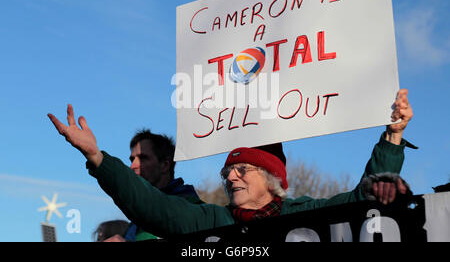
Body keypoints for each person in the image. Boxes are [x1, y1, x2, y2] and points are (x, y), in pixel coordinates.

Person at [48, 89, 415, 238]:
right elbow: (151, 207)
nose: (231, 176)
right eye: (227, 171)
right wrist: (97, 158)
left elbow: (363, 203)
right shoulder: (212, 220)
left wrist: (393, 137)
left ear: (272, 178)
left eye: (242, 169)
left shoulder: (305, 213)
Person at [100, 129, 203, 242]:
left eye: (143, 158)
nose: (133, 166)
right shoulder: (134, 224)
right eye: (132, 159)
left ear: (164, 165)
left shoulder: (192, 210)